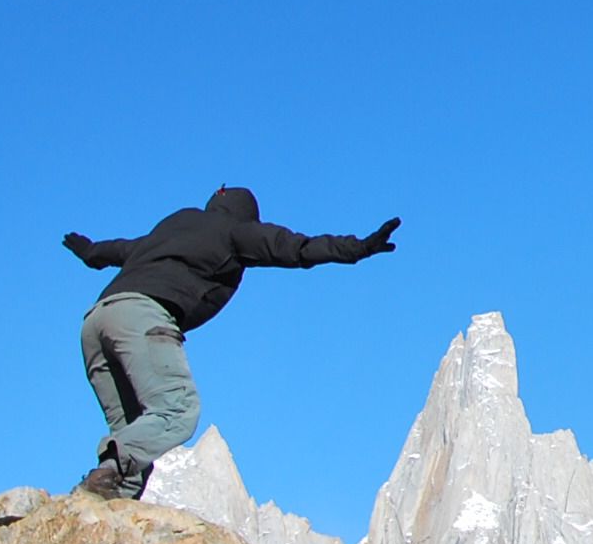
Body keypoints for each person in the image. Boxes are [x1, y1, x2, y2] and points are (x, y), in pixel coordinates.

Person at [63, 186, 400, 500]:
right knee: (177, 410)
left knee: (135, 434)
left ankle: (96, 508)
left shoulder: (171, 229)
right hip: (142, 317)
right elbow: (297, 247)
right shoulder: (235, 231)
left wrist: (89, 251)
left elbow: (119, 249)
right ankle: (107, 478)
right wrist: (357, 248)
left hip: (96, 322)